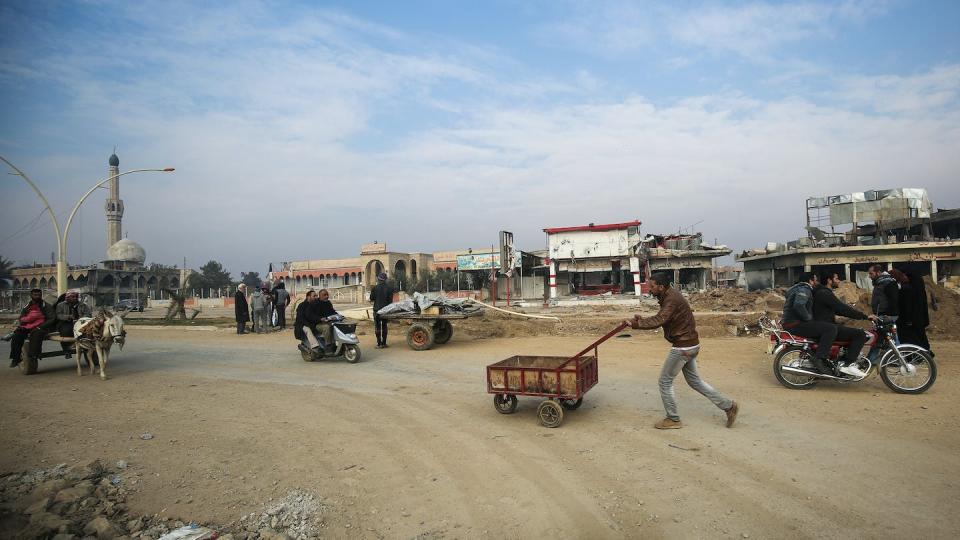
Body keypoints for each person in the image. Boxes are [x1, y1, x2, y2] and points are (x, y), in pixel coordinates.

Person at [624, 272, 738, 430]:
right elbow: (663, 317)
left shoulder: (671, 299)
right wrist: (641, 320)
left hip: (683, 347)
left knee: (664, 381)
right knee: (695, 382)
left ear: (661, 287)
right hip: (691, 344)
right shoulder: (670, 296)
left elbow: (660, 320)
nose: (650, 289)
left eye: (652, 286)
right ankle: (729, 406)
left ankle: (673, 419)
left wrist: (636, 324)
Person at [813, 272, 876, 377]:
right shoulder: (824, 293)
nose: (838, 281)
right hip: (827, 327)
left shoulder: (822, 292)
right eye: (836, 279)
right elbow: (841, 308)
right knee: (860, 334)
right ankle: (848, 364)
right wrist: (865, 316)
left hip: (825, 325)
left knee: (849, 331)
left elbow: (835, 309)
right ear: (829, 280)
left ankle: (840, 360)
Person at [782, 272, 837, 375]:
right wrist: (808, 318)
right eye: (815, 280)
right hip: (795, 324)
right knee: (830, 329)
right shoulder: (804, 289)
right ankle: (819, 359)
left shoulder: (795, 288)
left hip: (790, 324)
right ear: (810, 281)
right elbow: (799, 305)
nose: (816, 282)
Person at [6, 289, 54, 368]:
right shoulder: (27, 306)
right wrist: (24, 324)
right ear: (31, 295)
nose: (37, 296)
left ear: (41, 295)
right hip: (28, 326)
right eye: (35, 295)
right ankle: (16, 358)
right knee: (17, 335)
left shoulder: (46, 306)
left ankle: (33, 356)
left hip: (42, 327)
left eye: (39, 295)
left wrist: (40, 326)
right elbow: (21, 317)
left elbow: (51, 319)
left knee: (36, 334)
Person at [898, 271, 933, 355]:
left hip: (910, 321)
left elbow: (908, 307)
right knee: (920, 338)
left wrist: (908, 320)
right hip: (919, 320)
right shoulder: (920, 290)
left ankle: (917, 355)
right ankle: (925, 353)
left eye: (905, 275)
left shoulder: (907, 290)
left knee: (911, 339)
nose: (903, 278)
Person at [55, 290, 92, 357]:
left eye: (76, 297)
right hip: (66, 322)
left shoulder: (83, 305)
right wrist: (69, 317)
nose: (75, 298)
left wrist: (80, 319)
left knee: (87, 331)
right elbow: (58, 315)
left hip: (81, 322)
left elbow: (88, 314)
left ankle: (86, 346)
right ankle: (67, 350)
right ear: (67, 298)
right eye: (72, 297)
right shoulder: (60, 305)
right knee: (65, 332)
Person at [369, 272, 394, 348]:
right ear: (385, 280)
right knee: (384, 326)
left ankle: (379, 344)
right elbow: (390, 301)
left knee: (377, 326)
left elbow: (371, 298)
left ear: (378, 279)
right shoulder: (390, 288)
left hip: (377, 310)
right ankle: (384, 343)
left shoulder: (375, 288)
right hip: (385, 310)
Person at [294, 289, 323, 354]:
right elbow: (300, 318)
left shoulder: (316, 305)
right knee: (308, 329)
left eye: (316, 296)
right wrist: (308, 324)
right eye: (314, 296)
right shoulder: (302, 305)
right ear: (308, 297)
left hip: (312, 323)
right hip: (302, 325)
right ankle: (315, 346)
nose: (316, 297)